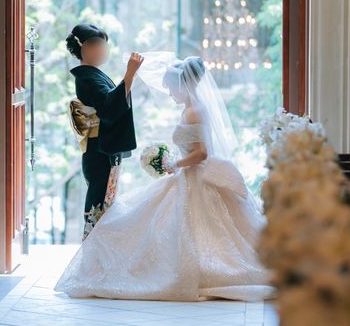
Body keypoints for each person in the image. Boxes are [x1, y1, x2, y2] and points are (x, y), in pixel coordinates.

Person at [56, 55, 273, 301]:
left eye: (171, 88)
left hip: (195, 176)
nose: (170, 93)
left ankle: (198, 269)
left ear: (182, 85)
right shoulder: (191, 108)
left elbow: (201, 153)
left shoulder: (194, 112)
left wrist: (173, 163)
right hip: (188, 174)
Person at [67, 23, 143, 239]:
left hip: (102, 150)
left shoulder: (93, 75)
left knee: (106, 204)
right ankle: (92, 252)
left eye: (104, 45)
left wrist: (129, 77)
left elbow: (112, 103)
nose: (103, 50)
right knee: (99, 206)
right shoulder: (86, 78)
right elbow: (109, 108)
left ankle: (99, 252)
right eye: (98, 45)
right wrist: (129, 74)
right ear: (84, 48)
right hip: (99, 153)